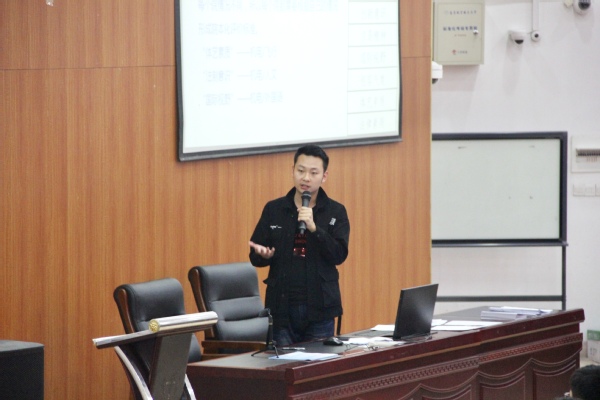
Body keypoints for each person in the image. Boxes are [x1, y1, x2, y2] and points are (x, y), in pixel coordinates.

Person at [248, 144, 350, 346]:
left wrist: (314, 229)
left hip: (320, 309)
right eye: (301, 171)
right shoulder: (274, 209)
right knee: (283, 364)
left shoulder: (335, 212)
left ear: (324, 176)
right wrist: (263, 254)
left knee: (318, 364)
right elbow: (255, 255)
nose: (306, 178)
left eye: (313, 173)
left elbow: (339, 254)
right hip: (281, 310)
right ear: (292, 170)